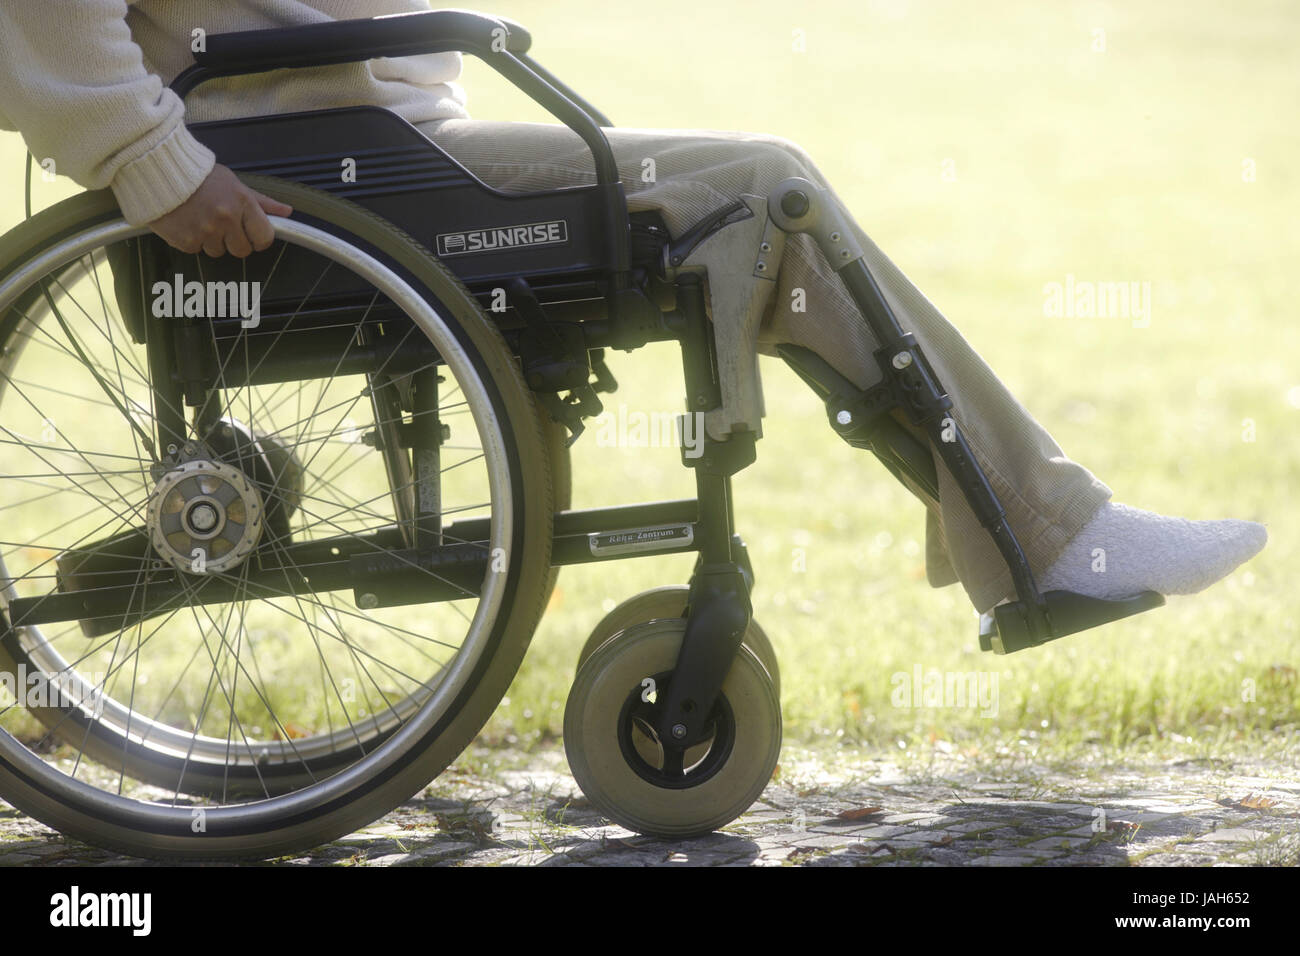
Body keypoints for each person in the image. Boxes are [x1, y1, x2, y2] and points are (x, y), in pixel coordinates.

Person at [0, 0, 1266, 616]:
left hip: (379, 153)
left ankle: (1015, 528)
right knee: (763, 188)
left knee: (747, 201)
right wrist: (147, 154)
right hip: (330, 176)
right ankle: (1035, 534)